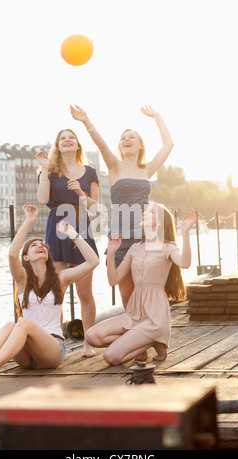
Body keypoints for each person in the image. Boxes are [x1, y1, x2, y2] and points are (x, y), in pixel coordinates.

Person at [0, 205, 99, 386]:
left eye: (42, 245)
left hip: (52, 350)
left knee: (22, 323)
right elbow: (11, 254)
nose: (40, 246)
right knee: (11, 324)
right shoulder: (22, 280)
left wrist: (72, 233)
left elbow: (93, 261)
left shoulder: (60, 278)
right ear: (26, 257)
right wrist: (29, 220)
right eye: (34, 245)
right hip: (26, 355)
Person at [70, 104, 174, 310]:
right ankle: (135, 334)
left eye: (131, 137)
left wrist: (157, 117)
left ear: (140, 145)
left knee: (148, 291)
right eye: (123, 138)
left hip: (146, 237)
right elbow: (100, 144)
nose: (126, 140)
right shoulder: (114, 166)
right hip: (120, 238)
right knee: (127, 295)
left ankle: (150, 330)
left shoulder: (147, 169)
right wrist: (86, 121)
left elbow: (168, 145)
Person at [85, 204, 196, 365]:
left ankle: (151, 339)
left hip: (154, 317)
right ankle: (142, 344)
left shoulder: (167, 248)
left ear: (159, 223)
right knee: (91, 336)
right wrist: (110, 253)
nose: (144, 213)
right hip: (133, 313)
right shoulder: (134, 248)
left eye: (150, 211)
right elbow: (113, 280)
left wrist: (185, 233)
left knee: (111, 357)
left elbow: (185, 263)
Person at [36, 128, 99, 357]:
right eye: (62, 138)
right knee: (56, 292)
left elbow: (95, 207)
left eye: (71, 137)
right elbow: (43, 199)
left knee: (85, 293)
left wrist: (81, 193)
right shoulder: (49, 171)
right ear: (58, 145)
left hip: (81, 227)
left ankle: (88, 343)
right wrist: (44, 170)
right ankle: (56, 343)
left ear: (77, 144)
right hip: (56, 228)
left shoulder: (90, 172)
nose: (67, 140)